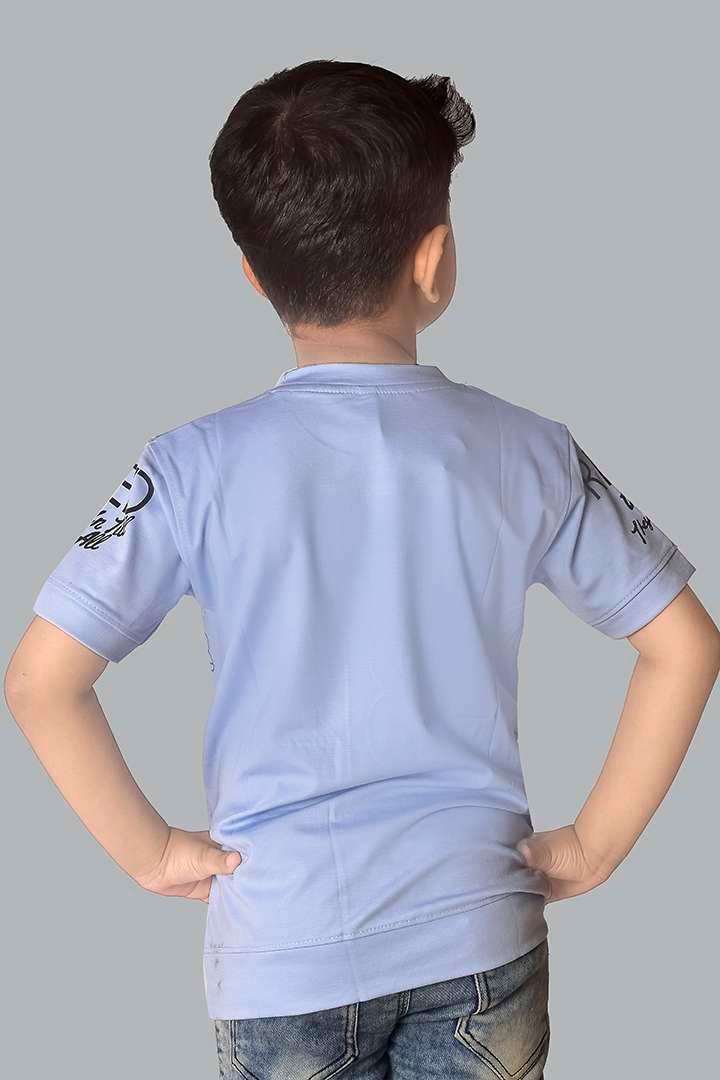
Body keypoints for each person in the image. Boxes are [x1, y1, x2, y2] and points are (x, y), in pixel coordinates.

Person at [5, 59, 719, 1079]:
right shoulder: (530, 450)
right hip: (478, 930)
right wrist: (594, 844)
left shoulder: (189, 466)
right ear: (436, 258)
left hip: (280, 947)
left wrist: (151, 852)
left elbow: (40, 681)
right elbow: (685, 645)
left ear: (253, 274)